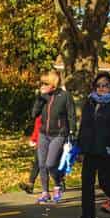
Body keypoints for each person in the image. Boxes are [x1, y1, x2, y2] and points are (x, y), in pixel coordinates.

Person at [76, 72, 110, 218]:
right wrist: (79, 148)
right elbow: (84, 126)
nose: (101, 88)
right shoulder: (90, 102)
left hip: (107, 149)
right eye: (98, 85)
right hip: (90, 149)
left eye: (105, 85)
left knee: (106, 183)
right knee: (87, 184)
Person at [30, 70, 76, 203]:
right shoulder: (44, 97)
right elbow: (34, 114)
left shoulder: (65, 96)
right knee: (42, 164)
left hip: (59, 134)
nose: (42, 85)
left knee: (50, 164)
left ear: (53, 83)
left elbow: (71, 115)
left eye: (45, 83)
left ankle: (57, 184)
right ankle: (45, 192)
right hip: (44, 133)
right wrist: (39, 98)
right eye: (41, 83)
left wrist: (72, 132)